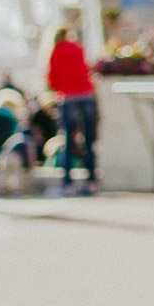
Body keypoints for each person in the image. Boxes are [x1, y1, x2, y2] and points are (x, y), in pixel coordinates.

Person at [46, 27, 98, 192]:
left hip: (68, 97)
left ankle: (67, 183)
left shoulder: (55, 53)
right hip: (87, 95)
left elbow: (52, 79)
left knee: (68, 139)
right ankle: (92, 181)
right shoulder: (78, 48)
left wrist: (62, 88)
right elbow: (87, 69)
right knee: (88, 141)